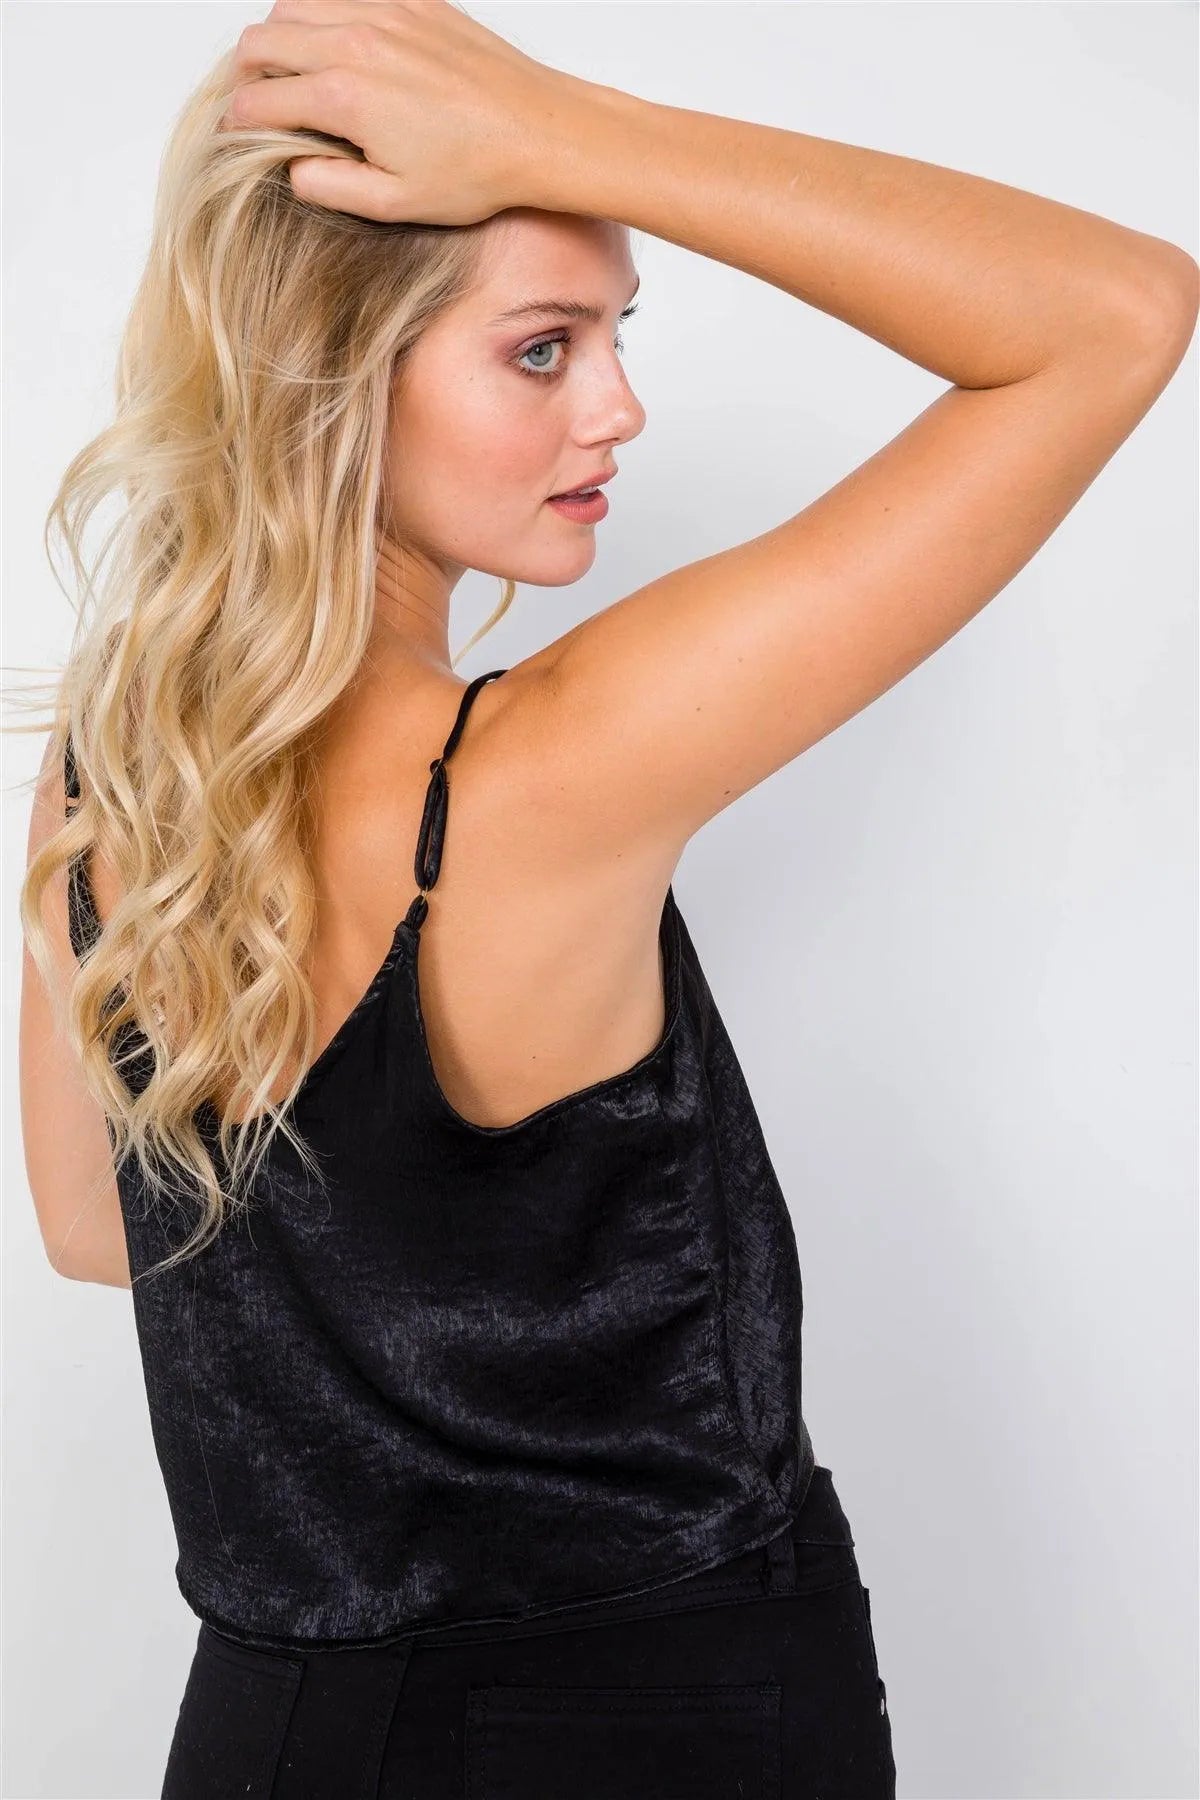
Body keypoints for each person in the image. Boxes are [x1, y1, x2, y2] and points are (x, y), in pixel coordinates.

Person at [18, 2, 1196, 1795]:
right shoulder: (554, 767)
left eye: (615, 336)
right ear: (330, 369)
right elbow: (1115, 312)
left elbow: (101, 1228)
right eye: (542, 349)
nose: (620, 407)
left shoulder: (118, 765)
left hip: (268, 1730)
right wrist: (565, 126)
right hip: (661, 1713)